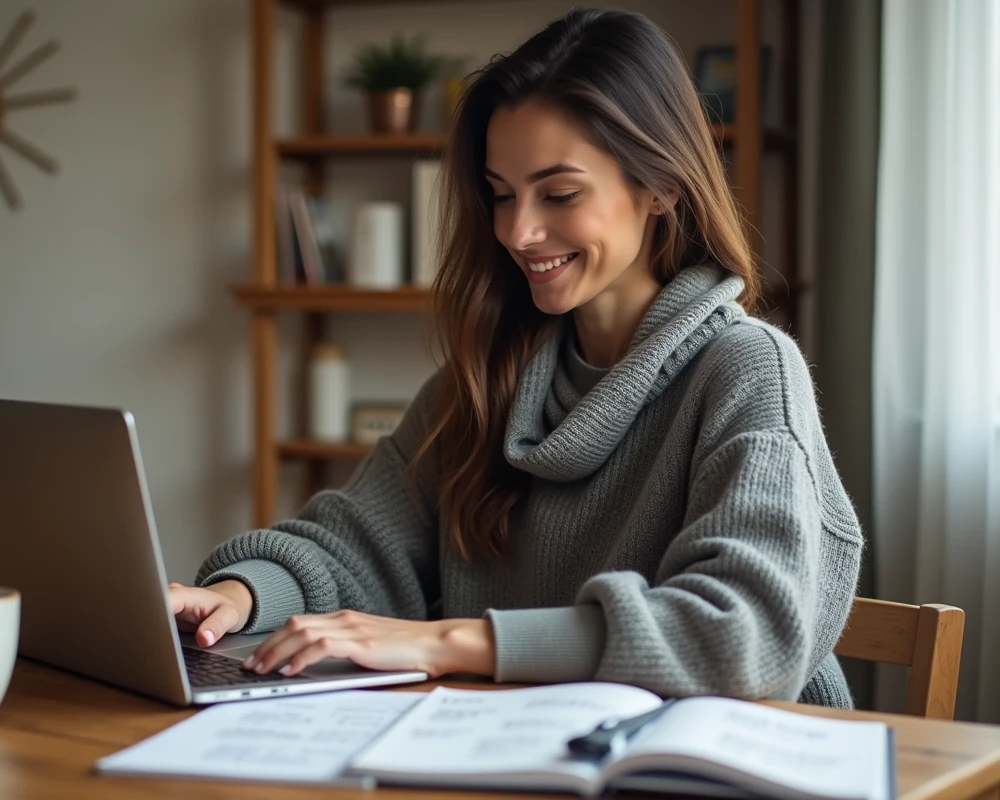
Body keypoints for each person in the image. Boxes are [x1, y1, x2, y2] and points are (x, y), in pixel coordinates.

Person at [169, 7, 862, 707]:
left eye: (559, 194)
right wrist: (238, 595)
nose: (520, 231)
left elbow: (744, 635)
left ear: (661, 186)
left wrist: (451, 642)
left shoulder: (747, 371)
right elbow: (355, 545)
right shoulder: (480, 385)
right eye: (501, 195)